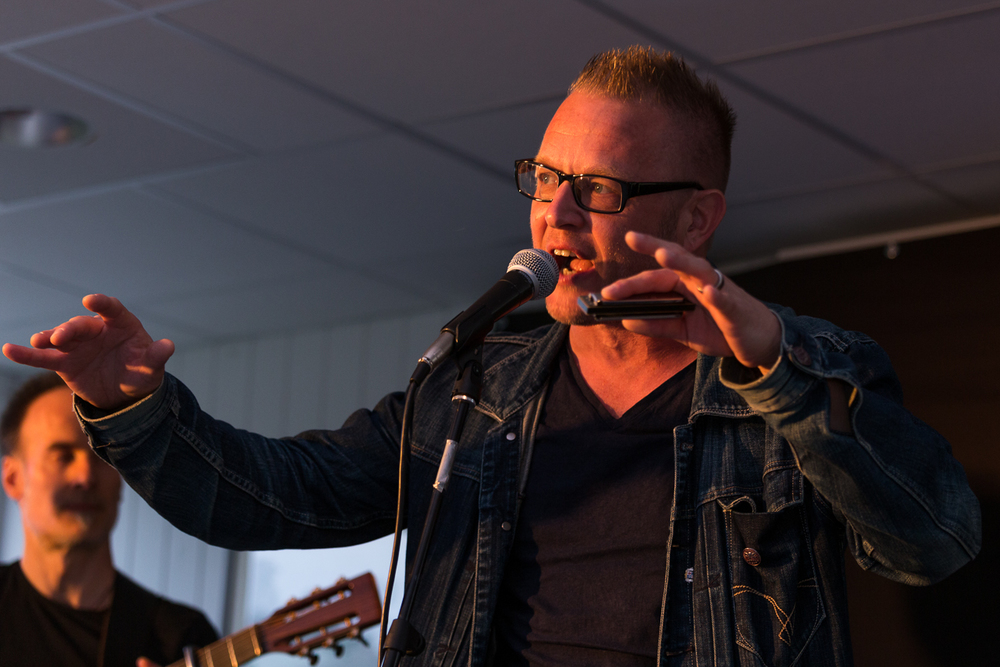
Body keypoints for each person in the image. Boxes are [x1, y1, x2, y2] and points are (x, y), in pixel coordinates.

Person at [2, 47, 980, 667]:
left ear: (695, 218)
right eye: (545, 177)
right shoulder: (478, 385)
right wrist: (132, 408)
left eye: (596, 191)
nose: (554, 215)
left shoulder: (802, 372)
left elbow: (933, 540)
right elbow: (276, 495)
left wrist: (777, 373)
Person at [0, 372, 218, 667]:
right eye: (63, 456)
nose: (86, 476)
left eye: (103, 457)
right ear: (13, 479)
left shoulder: (180, 637)